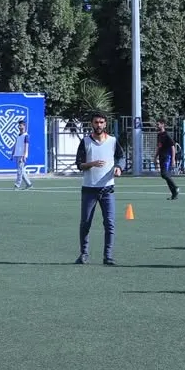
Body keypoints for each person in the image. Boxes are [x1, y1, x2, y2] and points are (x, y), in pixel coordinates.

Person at [75, 112, 125, 266]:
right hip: (89, 188)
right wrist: (91, 163)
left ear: (105, 124)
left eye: (101, 122)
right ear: (92, 124)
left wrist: (118, 168)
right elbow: (79, 164)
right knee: (86, 222)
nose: (99, 125)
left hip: (107, 189)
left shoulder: (112, 141)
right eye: (96, 122)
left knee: (109, 223)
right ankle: (84, 254)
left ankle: (108, 256)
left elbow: (121, 158)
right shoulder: (85, 142)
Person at [155, 119, 179, 200]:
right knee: (165, 175)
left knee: (165, 174)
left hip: (167, 158)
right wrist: (155, 156)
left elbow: (172, 147)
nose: (157, 126)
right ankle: (174, 194)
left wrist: (173, 159)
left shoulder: (166, 135)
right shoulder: (159, 135)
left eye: (158, 124)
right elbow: (159, 146)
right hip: (161, 157)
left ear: (163, 124)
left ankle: (175, 187)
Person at [11, 120, 33, 190]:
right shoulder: (18, 135)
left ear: (24, 126)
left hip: (22, 156)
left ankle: (17, 185)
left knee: (19, 171)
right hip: (17, 155)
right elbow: (15, 145)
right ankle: (29, 184)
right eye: (19, 125)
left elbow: (26, 146)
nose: (19, 127)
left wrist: (24, 156)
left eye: (21, 125)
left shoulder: (26, 136)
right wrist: (12, 154)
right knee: (22, 171)